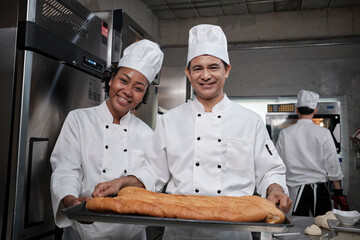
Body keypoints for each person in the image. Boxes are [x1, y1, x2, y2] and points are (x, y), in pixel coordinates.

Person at [93, 24, 292, 240]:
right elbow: (152, 172)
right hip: (180, 233)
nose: (205, 75)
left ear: (227, 70)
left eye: (213, 67)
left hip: (233, 233)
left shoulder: (250, 121)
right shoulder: (169, 121)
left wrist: (275, 190)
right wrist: (123, 182)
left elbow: (269, 171)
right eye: (198, 68)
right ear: (188, 73)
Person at [50, 39, 164, 240]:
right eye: (124, 80)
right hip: (83, 230)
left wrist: (125, 182)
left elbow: (153, 178)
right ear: (111, 79)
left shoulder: (147, 133)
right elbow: (66, 169)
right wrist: (71, 203)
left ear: (143, 94)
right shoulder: (79, 119)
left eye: (138, 88)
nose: (128, 91)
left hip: (130, 233)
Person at [275, 89, 349, 217]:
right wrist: (338, 192)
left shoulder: (284, 134)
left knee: (296, 231)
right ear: (315, 110)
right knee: (323, 230)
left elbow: (277, 165)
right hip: (319, 192)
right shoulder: (324, 133)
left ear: (297, 109)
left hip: (294, 191)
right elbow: (332, 164)